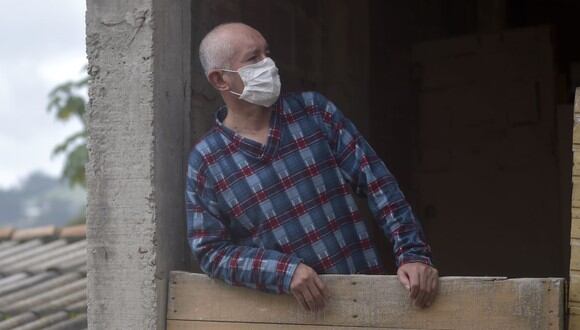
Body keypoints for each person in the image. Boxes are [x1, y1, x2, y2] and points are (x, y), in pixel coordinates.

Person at [185, 22, 439, 312]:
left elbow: (377, 184)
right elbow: (211, 252)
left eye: (268, 54)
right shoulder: (206, 160)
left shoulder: (314, 113)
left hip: (365, 301)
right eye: (254, 58)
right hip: (289, 316)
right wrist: (282, 271)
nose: (269, 65)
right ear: (220, 80)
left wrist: (413, 253)